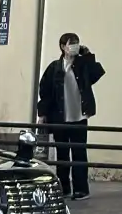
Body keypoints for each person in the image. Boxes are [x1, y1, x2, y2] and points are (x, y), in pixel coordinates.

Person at [36, 32, 105, 201]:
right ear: (62, 46)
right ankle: (64, 188)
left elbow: (97, 74)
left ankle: (81, 189)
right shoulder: (54, 67)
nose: (74, 45)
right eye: (70, 43)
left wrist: (88, 55)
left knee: (79, 153)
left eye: (76, 42)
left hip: (79, 117)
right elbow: (45, 92)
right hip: (60, 117)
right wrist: (42, 113)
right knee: (62, 154)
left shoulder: (83, 65)